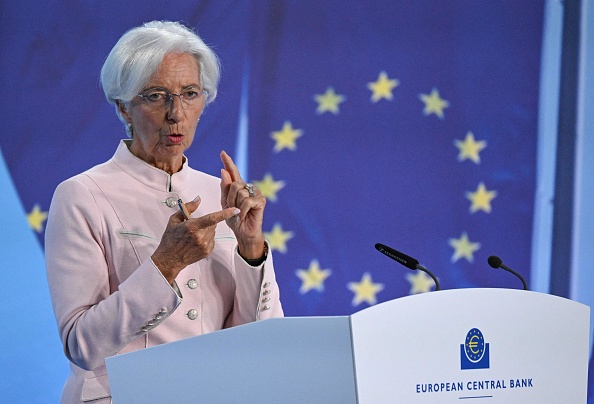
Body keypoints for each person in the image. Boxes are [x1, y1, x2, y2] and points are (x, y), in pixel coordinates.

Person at [45, 20, 283, 404]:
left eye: (190, 93)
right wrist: (166, 264)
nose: (176, 113)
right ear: (123, 107)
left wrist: (252, 250)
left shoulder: (220, 194)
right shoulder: (82, 195)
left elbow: (260, 340)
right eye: (156, 96)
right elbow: (82, 345)